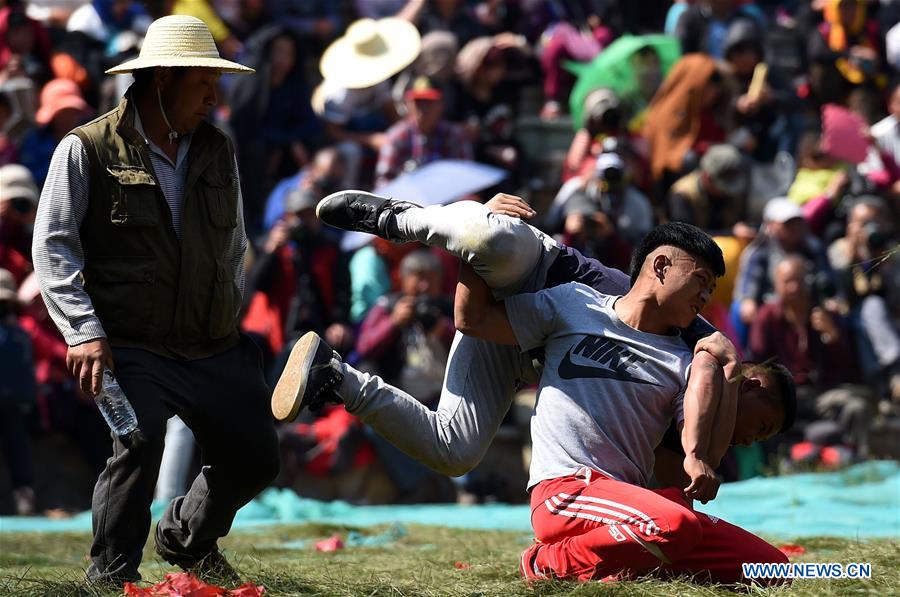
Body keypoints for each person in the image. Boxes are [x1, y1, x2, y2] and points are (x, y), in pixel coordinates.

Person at [272, 191, 793, 490]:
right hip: (538, 269)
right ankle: (401, 218)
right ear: (751, 382)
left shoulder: (685, 416)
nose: (756, 438)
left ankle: (334, 376)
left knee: (453, 451)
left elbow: (470, 320)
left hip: (519, 336)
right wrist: (477, 238)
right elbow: (711, 358)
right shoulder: (693, 332)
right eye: (764, 424)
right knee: (488, 237)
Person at [31, 16, 279, 586]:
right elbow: (54, 247)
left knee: (257, 458)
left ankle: (185, 542)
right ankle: (112, 570)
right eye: (203, 83)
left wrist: (222, 310)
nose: (215, 96)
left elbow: (236, 241)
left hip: (212, 342)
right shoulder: (85, 148)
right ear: (163, 78)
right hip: (128, 343)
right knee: (139, 443)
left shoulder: (218, 147)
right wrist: (83, 331)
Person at [452, 223, 789, 584]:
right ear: (660, 267)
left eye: (711, 288)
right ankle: (546, 562)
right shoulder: (574, 304)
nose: (706, 296)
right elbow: (472, 319)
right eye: (700, 280)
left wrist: (729, 368)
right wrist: (474, 246)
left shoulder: (683, 360)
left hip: (631, 505)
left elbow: (701, 444)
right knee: (673, 525)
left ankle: (620, 562)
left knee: (772, 569)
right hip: (567, 490)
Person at [375, 75, 472, 187]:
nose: (423, 108)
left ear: (442, 105)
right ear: (408, 104)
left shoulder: (455, 135)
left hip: (449, 200)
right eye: (418, 102)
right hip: (406, 200)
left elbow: (466, 178)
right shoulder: (396, 136)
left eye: (429, 102)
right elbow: (383, 182)